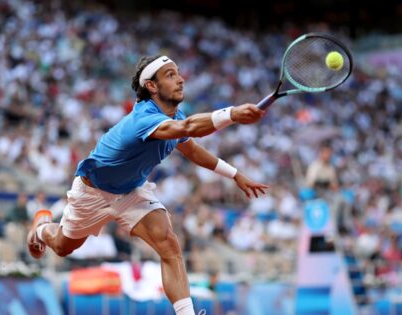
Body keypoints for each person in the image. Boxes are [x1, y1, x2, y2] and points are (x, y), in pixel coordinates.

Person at [27, 55, 268, 315]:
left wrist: (235, 175)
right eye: (170, 75)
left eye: (178, 73)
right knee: (64, 247)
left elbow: (193, 150)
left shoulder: (175, 116)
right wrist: (231, 114)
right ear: (152, 86)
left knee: (169, 244)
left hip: (131, 191)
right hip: (93, 191)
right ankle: (41, 229)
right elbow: (188, 127)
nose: (181, 79)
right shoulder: (144, 118)